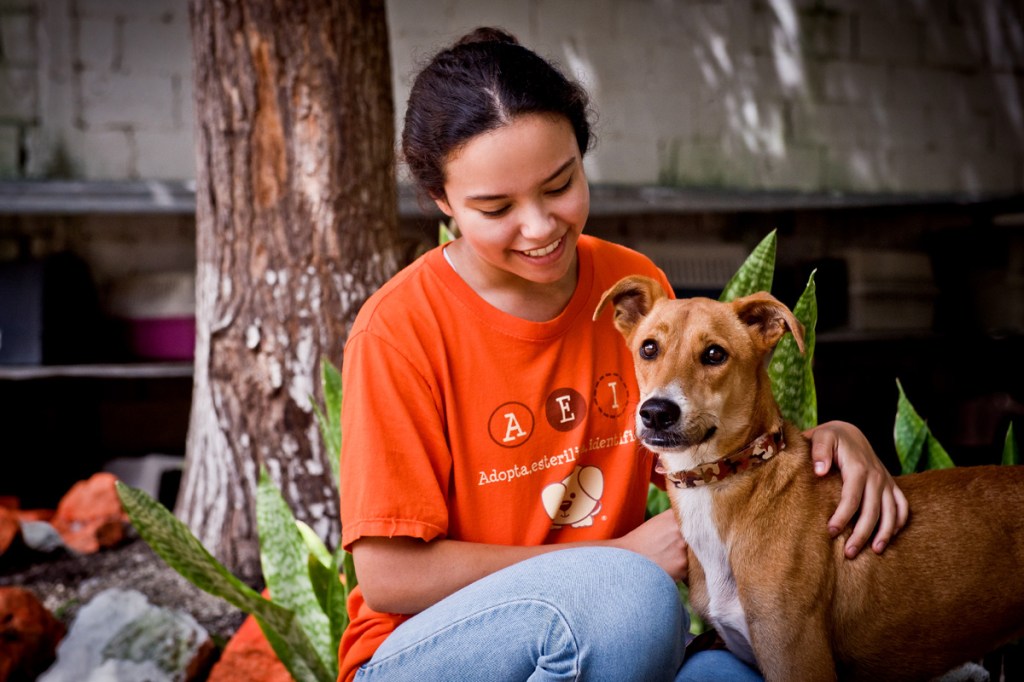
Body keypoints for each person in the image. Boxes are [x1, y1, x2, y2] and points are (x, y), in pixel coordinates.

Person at [338, 27, 909, 682]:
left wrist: (831, 441)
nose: (539, 226)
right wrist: (615, 557)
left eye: (560, 184)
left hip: (603, 638)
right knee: (633, 598)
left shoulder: (635, 292)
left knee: (734, 675)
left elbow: (713, 447)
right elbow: (389, 577)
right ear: (442, 201)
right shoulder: (399, 330)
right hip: (422, 653)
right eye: (495, 208)